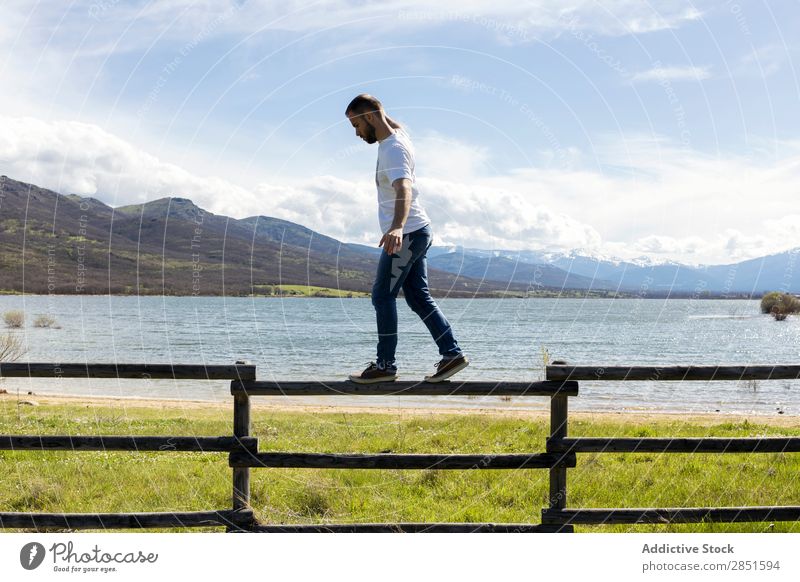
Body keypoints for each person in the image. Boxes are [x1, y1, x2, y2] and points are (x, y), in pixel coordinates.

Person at [345, 94, 468, 384]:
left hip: (408, 233)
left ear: (371, 118)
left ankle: (385, 366)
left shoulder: (394, 150)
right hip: (418, 231)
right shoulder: (398, 136)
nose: (356, 133)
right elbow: (393, 123)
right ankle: (451, 355)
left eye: (356, 125)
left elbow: (404, 189)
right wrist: (383, 115)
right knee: (417, 297)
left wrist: (397, 227)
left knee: (382, 296)